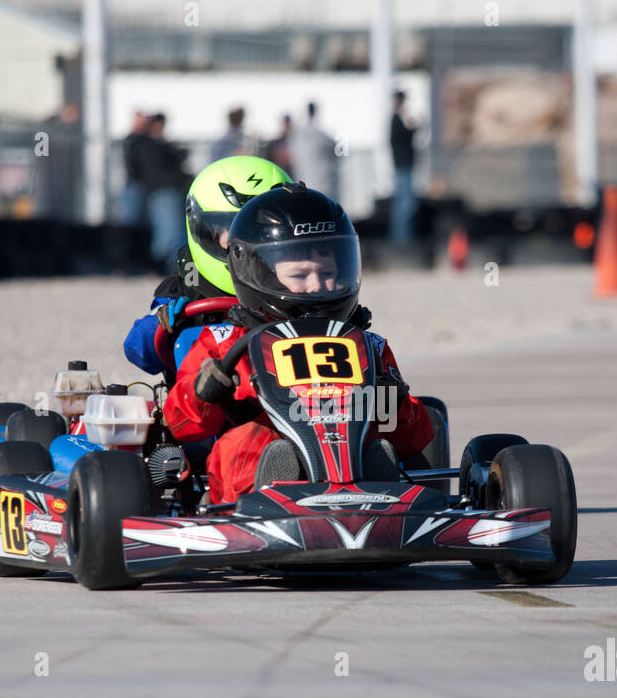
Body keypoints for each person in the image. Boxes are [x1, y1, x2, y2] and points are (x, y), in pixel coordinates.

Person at [164, 183, 433, 505]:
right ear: (256, 272)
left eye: (329, 273)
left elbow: (410, 440)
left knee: (380, 447)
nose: (317, 287)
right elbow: (184, 426)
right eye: (301, 275)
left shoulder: (368, 346)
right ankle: (272, 494)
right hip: (257, 480)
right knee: (245, 442)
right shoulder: (224, 344)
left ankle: (374, 493)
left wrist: (392, 399)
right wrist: (206, 388)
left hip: (356, 462)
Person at [123, 155, 293, 377]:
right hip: (202, 401)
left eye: (260, 231)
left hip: (285, 399)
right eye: (233, 229)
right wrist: (163, 324)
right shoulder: (187, 285)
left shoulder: (290, 284)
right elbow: (138, 350)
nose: (248, 242)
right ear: (207, 231)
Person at [134, 113, 191, 271]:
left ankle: (166, 267)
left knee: (169, 233)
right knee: (169, 233)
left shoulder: (157, 145)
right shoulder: (151, 147)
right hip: (163, 193)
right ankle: (167, 267)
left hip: (164, 193)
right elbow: (157, 173)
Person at [288, 101, 339, 199]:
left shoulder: (297, 136)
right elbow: (335, 150)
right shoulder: (322, 136)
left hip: (305, 186)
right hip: (323, 186)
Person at [388, 90, 417, 245]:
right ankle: (401, 239)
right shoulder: (396, 120)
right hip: (403, 166)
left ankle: (402, 237)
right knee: (404, 204)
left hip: (404, 165)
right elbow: (404, 137)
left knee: (404, 203)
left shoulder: (397, 119)